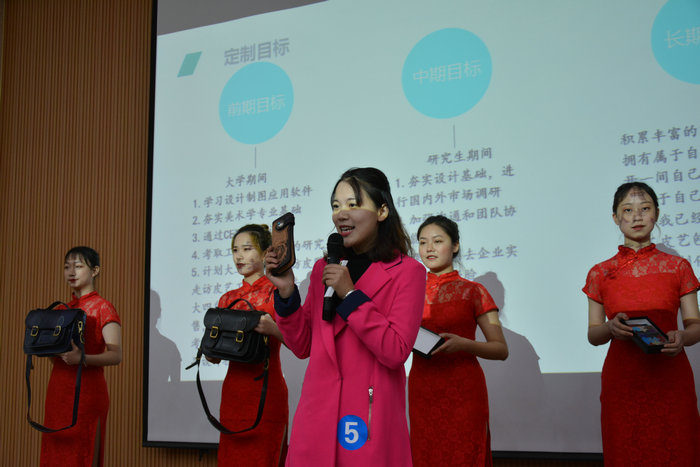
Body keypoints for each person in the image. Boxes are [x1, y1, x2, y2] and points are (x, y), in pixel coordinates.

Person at [265, 167, 425, 466]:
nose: (341, 214)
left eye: (353, 204)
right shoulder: (323, 268)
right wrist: (286, 292)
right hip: (318, 415)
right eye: (336, 206)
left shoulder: (408, 272)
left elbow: (396, 351)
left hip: (366, 418)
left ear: (382, 211)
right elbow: (302, 345)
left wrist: (350, 295)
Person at [583, 182, 700, 466]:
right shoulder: (600, 273)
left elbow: (695, 326)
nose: (637, 216)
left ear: (656, 213)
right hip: (623, 381)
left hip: (670, 377)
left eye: (645, 208)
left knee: (679, 451)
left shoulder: (678, 267)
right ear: (615, 217)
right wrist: (610, 328)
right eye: (628, 210)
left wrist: (682, 337)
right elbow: (593, 334)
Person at [408, 215, 508, 467]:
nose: (429, 248)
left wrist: (464, 344)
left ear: (455, 245)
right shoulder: (409, 292)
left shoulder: (474, 291)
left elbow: (500, 349)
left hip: (463, 390)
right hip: (423, 389)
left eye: (437, 241)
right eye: (423, 242)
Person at [206, 224, 289, 466]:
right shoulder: (227, 298)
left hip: (267, 390)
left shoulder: (279, 292)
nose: (239, 256)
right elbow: (215, 357)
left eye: (246, 249)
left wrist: (272, 329)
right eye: (235, 250)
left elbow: (300, 342)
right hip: (234, 392)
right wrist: (210, 350)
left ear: (265, 253)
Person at [40, 247, 122, 467]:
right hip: (58, 394)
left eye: (78, 266)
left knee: (82, 457)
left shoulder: (103, 307)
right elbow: (58, 358)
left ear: (95, 271)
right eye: (67, 267)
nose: (71, 272)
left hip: (87, 395)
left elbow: (116, 355)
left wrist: (81, 358)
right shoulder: (60, 310)